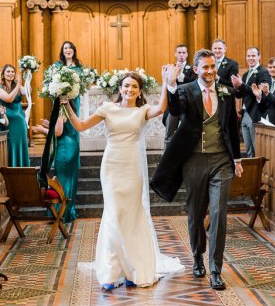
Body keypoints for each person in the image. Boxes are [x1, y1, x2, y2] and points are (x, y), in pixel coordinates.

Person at [62, 66, 184, 290]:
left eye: (135, 86)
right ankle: (110, 272)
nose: (130, 89)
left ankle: (132, 269)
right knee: (113, 215)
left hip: (132, 166)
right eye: (126, 85)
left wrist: (166, 82)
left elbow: (161, 107)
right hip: (112, 165)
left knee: (132, 216)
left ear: (139, 91)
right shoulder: (107, 108)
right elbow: (80, 126)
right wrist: (66, 105)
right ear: (120, 88)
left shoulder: (143, 110)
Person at [151, 49, 243, 291]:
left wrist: (237, 159)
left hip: (221, 159)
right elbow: (175, 111)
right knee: (195, 213)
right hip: (193, 160)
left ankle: (215, 269)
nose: (211, 71)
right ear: (196, 69)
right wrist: (170, 86)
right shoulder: (186, 90)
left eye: (213, 67)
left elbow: (232, 126)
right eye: (205, 67)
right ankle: (197, 257)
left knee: (220, 214)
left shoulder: (224, 91)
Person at [48, 40, 83, 222]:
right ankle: (61, 208)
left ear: (74, 51)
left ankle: (69, 207)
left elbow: (81, 88)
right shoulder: (57, 67)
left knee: (73, 128)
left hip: (73, 103)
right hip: (61, 101)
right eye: (65, 48)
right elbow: (51, 86)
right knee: (62, 130)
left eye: (70, 48)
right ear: (62, 52)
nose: (68, 50)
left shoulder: (79, 67)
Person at [232, 47, 271, 157]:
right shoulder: (245, 75)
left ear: (259, 56)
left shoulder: (264, 73)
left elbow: (259, 93)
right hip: (244, 114)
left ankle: (261, 173)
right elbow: (239, 95)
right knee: (248, 149)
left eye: (253, 55)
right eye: (248, 56)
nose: (250, 58)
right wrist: (236, 87)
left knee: (257, 148)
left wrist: (242, 85)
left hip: (255, 113)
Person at [0, 64, 30, 167]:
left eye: (12, 72)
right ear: (3, 74)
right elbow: (9, 99)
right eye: (8, 72)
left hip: (20, 121)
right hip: (9, 122)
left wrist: (29, 75)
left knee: (21, 144)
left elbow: (28, 91)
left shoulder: (17, 86)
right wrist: (18, 85)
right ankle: (12, 169)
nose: (11, 74)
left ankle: (23, 169)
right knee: (11, 145)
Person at [163, 44, 197, 147]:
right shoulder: (170, 68)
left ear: (187, 54)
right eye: (179, 52)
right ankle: (166, 160)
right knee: (169, 134)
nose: (181, 55)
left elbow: (193, 84)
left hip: (187, 104)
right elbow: (166, 84)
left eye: (183, 52)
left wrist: (182, 76)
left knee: (186, 133)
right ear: (175, 54)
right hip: (172, 105)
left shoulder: (192, 69)